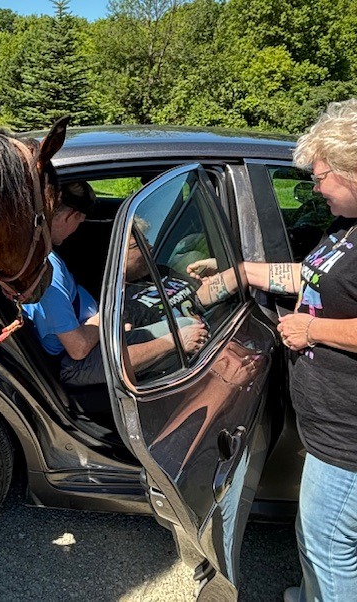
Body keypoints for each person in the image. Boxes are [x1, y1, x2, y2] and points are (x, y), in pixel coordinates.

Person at [187, 99, 357, 602]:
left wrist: (314, 332)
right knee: (318, 539)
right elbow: (309, 277)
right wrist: (237, 273)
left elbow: (319, 316)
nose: (315, 185)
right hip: (329, 423)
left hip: (349, 435)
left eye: (323, 175)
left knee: (329, 546)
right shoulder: (345, 228)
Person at [23, 182, 208, 387]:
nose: (76, 231)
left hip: (94, 337)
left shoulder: (46, 258)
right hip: (76, 362)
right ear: (70, 216)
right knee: (189, 332)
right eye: (80, 221)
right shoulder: (48, 272)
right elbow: (79, 348)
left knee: (187, 326)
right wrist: (105, 320)